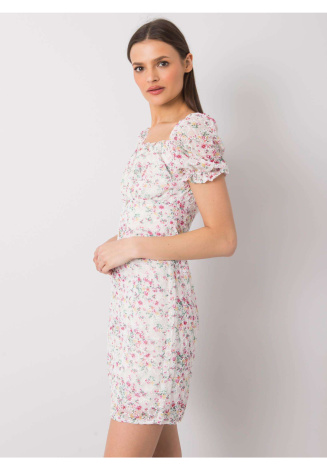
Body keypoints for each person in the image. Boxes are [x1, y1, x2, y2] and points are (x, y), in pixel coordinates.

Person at [93, 18, 237, 457]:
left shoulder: (194, 132)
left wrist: (133, 247)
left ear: (187, 63)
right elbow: (157, 215)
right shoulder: (150, 136)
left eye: (162, 63)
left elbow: (222, 237)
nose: (150, 77)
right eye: (139, 67)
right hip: (130, 312)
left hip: (160, 314)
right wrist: (117, 242)